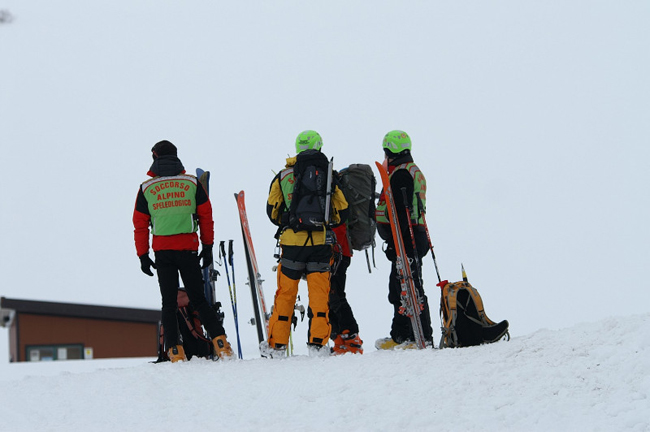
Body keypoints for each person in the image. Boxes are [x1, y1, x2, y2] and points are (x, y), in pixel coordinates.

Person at [133, 140, 234, 362]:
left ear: (155, 158)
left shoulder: (146, 188)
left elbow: (140, 225)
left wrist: (143, 255)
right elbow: (206, 217)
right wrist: (207, 247)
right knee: (199, 300)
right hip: (188, 249)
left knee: (168, 304)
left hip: (163, 253)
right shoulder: (192, 184)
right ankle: (221, 344)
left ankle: (175, 352)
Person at [263, 130, 349, 358]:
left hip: (292, 244)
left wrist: (290, 221)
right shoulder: (329, 176)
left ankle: (276, 346)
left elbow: (272, 212)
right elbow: (341, 212)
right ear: (320, 146)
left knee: (286, 295)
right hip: (320, 244)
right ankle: (318, 345)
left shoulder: (283, 176)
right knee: (320, 296)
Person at [375, 130, 434, 349]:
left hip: (407, 238)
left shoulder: (401, 174)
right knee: (398, 287)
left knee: (411, 286)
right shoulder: (409, 169)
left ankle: (422, 335)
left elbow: (401, 211)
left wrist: (394, 240)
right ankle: (400, 335)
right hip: (408, 238)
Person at [329, 218, 363, 354]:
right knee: (328, 297)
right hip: (336, 250)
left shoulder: (333, 198)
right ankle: (340, 340)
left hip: (337, 250)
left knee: (335, 296)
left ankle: (351, 338)